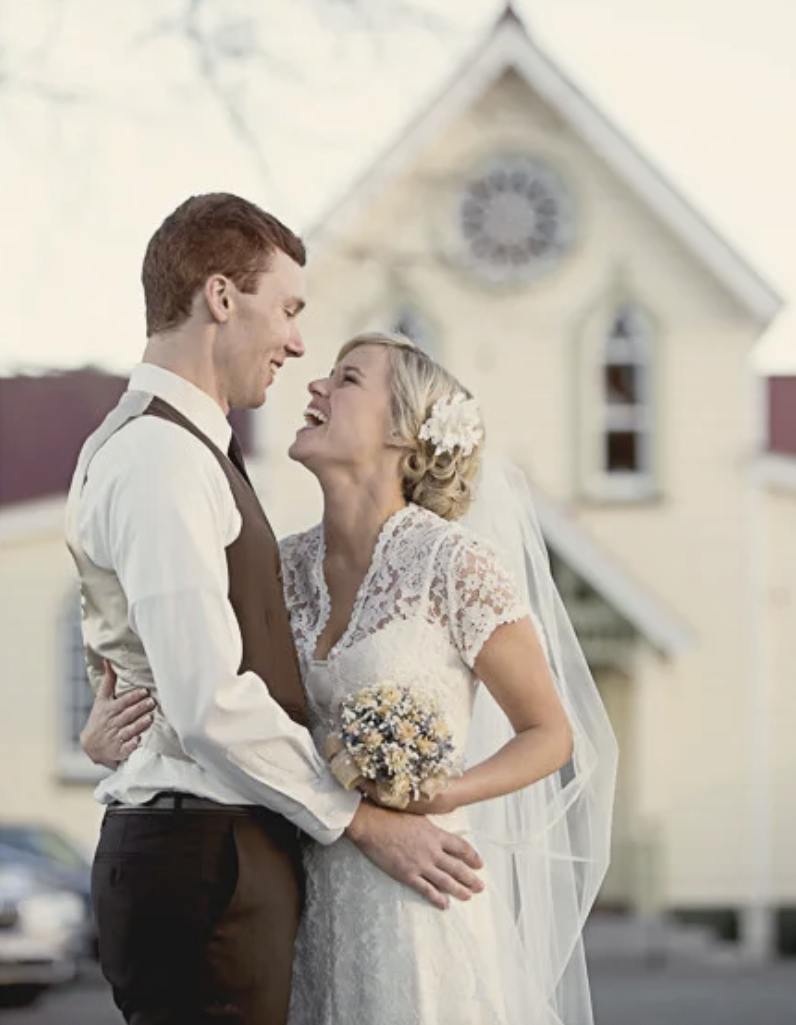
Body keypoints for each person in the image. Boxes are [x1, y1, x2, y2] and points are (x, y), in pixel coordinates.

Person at [83, 328, 618, 1024]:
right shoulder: (278, 568)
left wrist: (439, 793)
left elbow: (550, 734)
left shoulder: (455, 566)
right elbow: (210, 694)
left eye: (348, 379)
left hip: (418, 900)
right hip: (295, 897)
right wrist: (112, 739)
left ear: (404, 433)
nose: (316, 386)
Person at [66, 197, 485, 1025]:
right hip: (204, 862)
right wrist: (363, 821)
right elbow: (207, 699)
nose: (299, 344)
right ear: (221, 298)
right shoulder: (162, 459)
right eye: (289, 310)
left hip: (215, 851)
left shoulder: (172, 448)